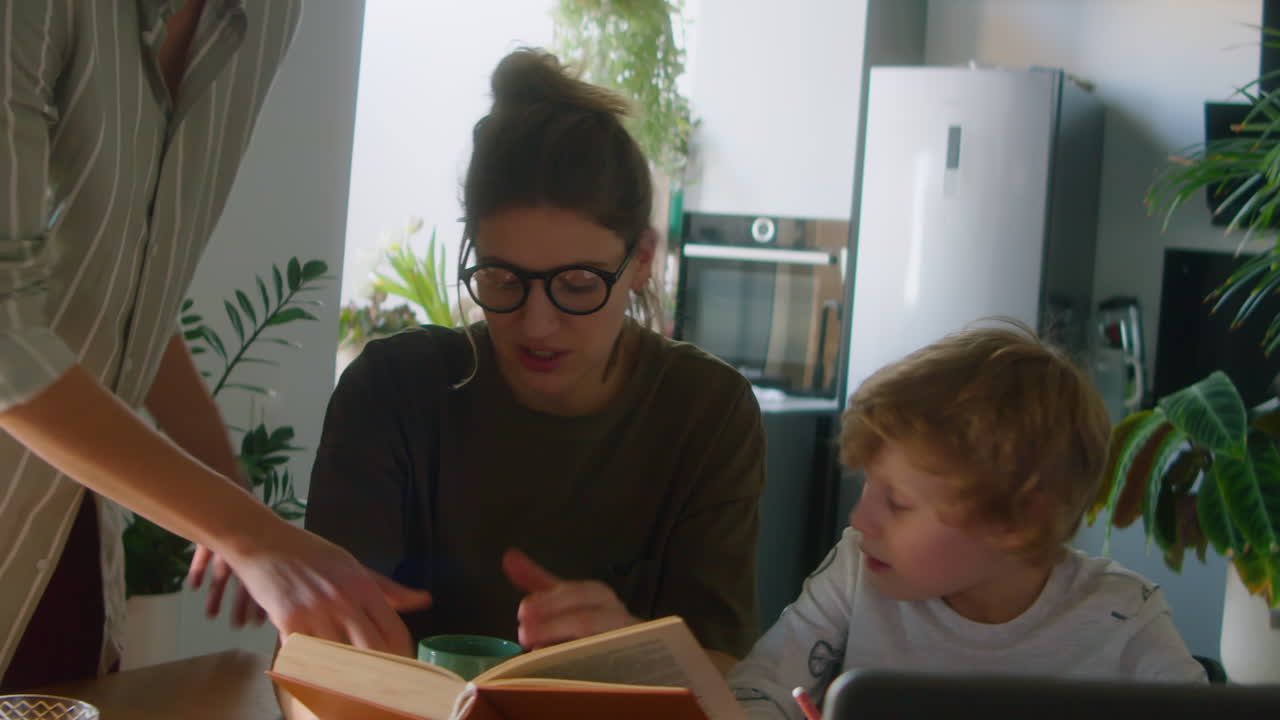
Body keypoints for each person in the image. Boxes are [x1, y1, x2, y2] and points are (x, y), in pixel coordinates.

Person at [295, 46, 764, 697]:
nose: (537, 323)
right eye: (501, 277)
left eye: (576, 283)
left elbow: (729, 675)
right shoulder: (393, 390)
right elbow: (319, 654)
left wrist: (630, 645)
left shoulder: (705, 410)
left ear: (642, 261)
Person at [0, 0, 429, 691]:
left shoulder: (269, 17)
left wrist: (231, 507)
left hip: (66, 550)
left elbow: (125, 295)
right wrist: (253, 535)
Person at [728, 320, 1206, 720]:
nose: (861, 519)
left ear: (1015, 521)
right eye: (867, 485)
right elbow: (757, 689)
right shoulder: (858, 569)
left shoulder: (1123, 616)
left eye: (898, 502)